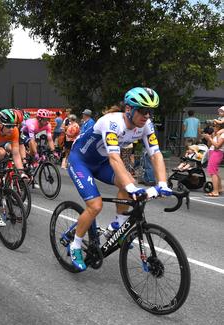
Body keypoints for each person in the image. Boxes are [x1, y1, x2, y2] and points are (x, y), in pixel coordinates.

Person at [66, 87, 171, 270]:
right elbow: (115, 158)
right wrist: (131, 188)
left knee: (128, 181)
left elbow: (155, 154)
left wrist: (163, 184)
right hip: (80, 161)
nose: (147, 116)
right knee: (96, 205)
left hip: (101, 162)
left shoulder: (145, 125)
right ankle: (75, 245)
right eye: (143, 110)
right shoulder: (112, 122)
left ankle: (118, 227)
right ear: (129, 109)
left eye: (150, 111)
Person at [202, 119, 224, 197]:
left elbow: (218, 146)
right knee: (214, 171)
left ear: (220, 126)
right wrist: (209, 138)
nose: (213, 127)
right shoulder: (216, 133)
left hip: (217, 153)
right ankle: (219, 188)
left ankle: (215, 191)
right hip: (212, 152)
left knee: (212, 172)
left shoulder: (222, 134)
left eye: (215, 126)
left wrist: (211, 138)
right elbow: (209, 145)